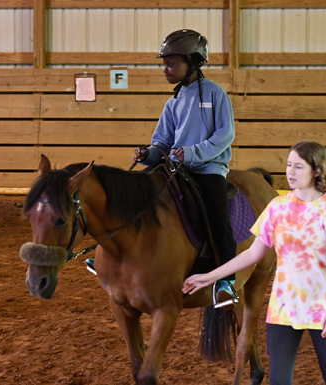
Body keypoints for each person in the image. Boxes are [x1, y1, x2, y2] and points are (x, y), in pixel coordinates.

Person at [85, 29, 238, 308]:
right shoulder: (173, 102)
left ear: (192, 62)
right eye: (164, 63)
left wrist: (192, 153)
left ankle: (226, 280)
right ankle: (106, 255)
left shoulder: (216, 94)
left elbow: (225, 136)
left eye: (171, 63)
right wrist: (149, 153)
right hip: (174, 168)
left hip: (208, 169)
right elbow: (162, 142)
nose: (165, 69)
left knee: (217, 218)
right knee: (131, 197)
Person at [183, 141, 326, 385]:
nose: (290, 172)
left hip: (324, 309)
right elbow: (251, 255)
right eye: (288, 165)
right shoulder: (277, 207)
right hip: (284, 308)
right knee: (278, 381)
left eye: (298, 167)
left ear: (317, 171)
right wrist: (211, 276)